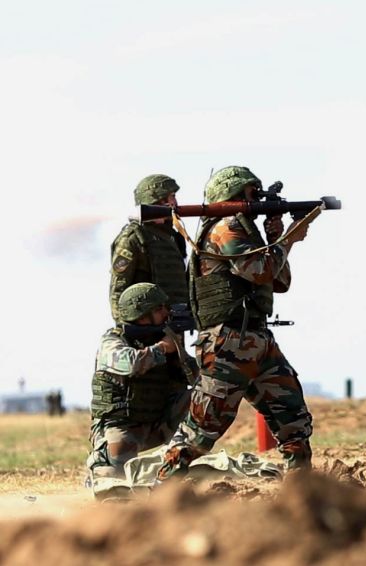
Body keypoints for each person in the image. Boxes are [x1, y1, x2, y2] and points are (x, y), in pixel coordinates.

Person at [157, 165, 312, 480]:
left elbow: (278, 281)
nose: (257, 200)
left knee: (292, 419)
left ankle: (303, 490)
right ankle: (165, 486)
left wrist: (276, 238)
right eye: (251, 193)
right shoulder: (225, 228)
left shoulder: (245, 230)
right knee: (203, 428)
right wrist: (288, 240)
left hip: (256, 340)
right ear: (234, 193)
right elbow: (259, 270)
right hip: (227, 343)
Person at [87, 283, 193, 486]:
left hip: (159, 420)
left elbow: (194, 378)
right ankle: (101, 466)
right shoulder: (112, 340)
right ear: (142, 314)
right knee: (113, 482)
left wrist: (182, 351)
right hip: (122, 426)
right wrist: (162, 348)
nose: (166, 313)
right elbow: (130, 363)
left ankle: (180, 456)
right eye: (159, 308)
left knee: (202, 396)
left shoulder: (163, 336)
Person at [109, 174, 188, 323]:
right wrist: (123, 326)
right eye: (172, 196)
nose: (175, 202)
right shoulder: (133, 238)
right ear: (160, 200)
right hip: (146, 323)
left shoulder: (172, 237)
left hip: (172, 322)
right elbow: (118, 288)